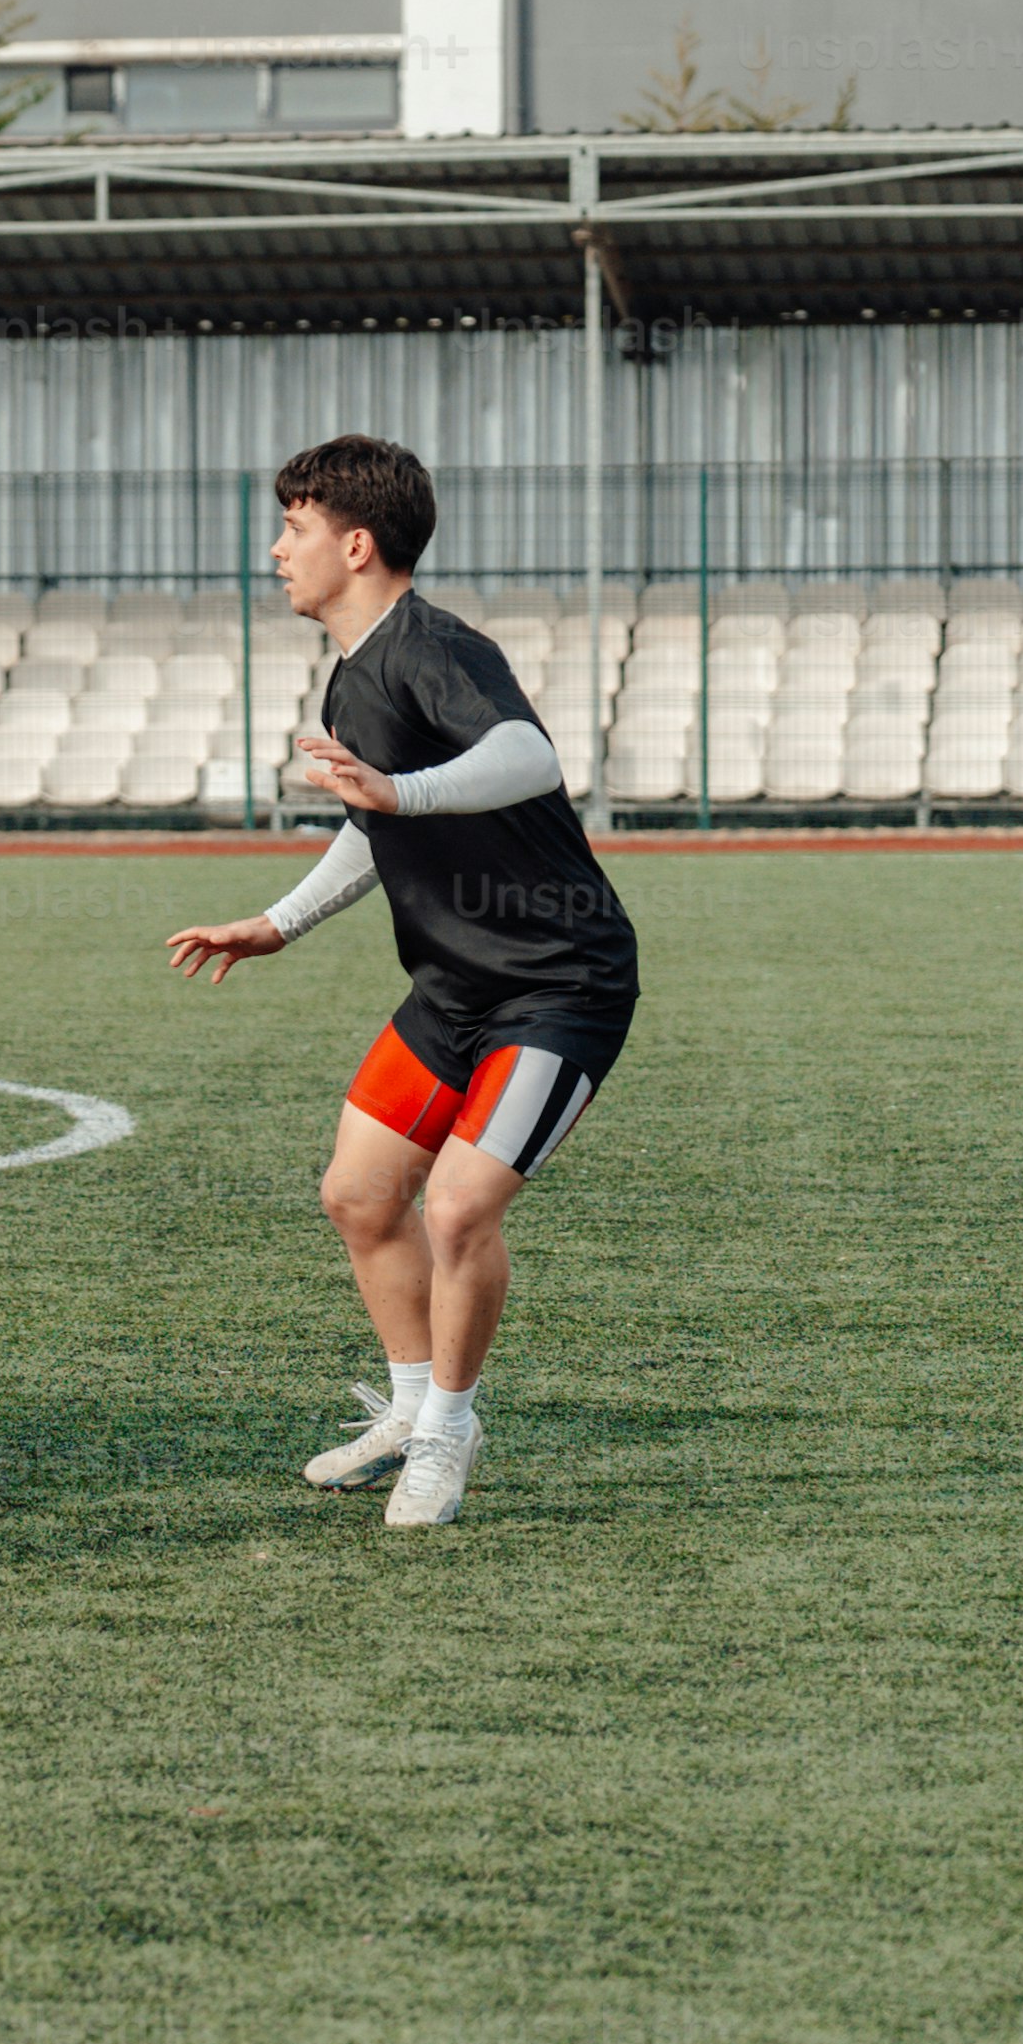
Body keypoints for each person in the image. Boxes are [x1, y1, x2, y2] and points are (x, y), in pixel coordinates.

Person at [164, 435, 644, 1530]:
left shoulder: (433, 647)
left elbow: (528, 756)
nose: (277, 549)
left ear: (357, 541)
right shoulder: (353, 673)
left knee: (461, 1208)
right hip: (452, 990)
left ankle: (448, 1435)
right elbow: (371, 820)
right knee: (358, 1195)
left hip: (558, 983)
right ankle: (409, 1404)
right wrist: (279, 924)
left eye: (294, 527)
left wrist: (400, 792)